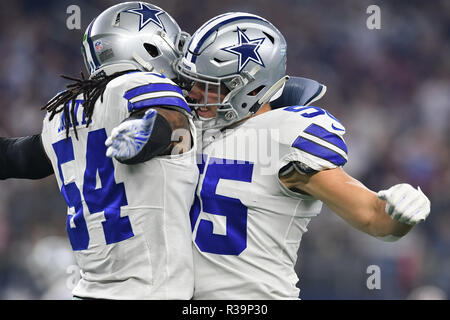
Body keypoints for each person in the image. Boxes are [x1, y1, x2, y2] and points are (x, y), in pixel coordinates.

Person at [109, 12, 431, 299]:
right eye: (191, 81)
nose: (193, 94)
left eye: (208, 86)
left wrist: (396, 215)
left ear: (250, 89)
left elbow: (372, 217)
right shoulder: (193, 130)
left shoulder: (285, 135)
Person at [2, 2, 198, 300]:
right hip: (152, 292)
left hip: (88, 290)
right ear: (149, 46)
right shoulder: (141, 83)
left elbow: (18, 158)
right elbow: (166, 119)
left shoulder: (63, 112)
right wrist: (147, 133)